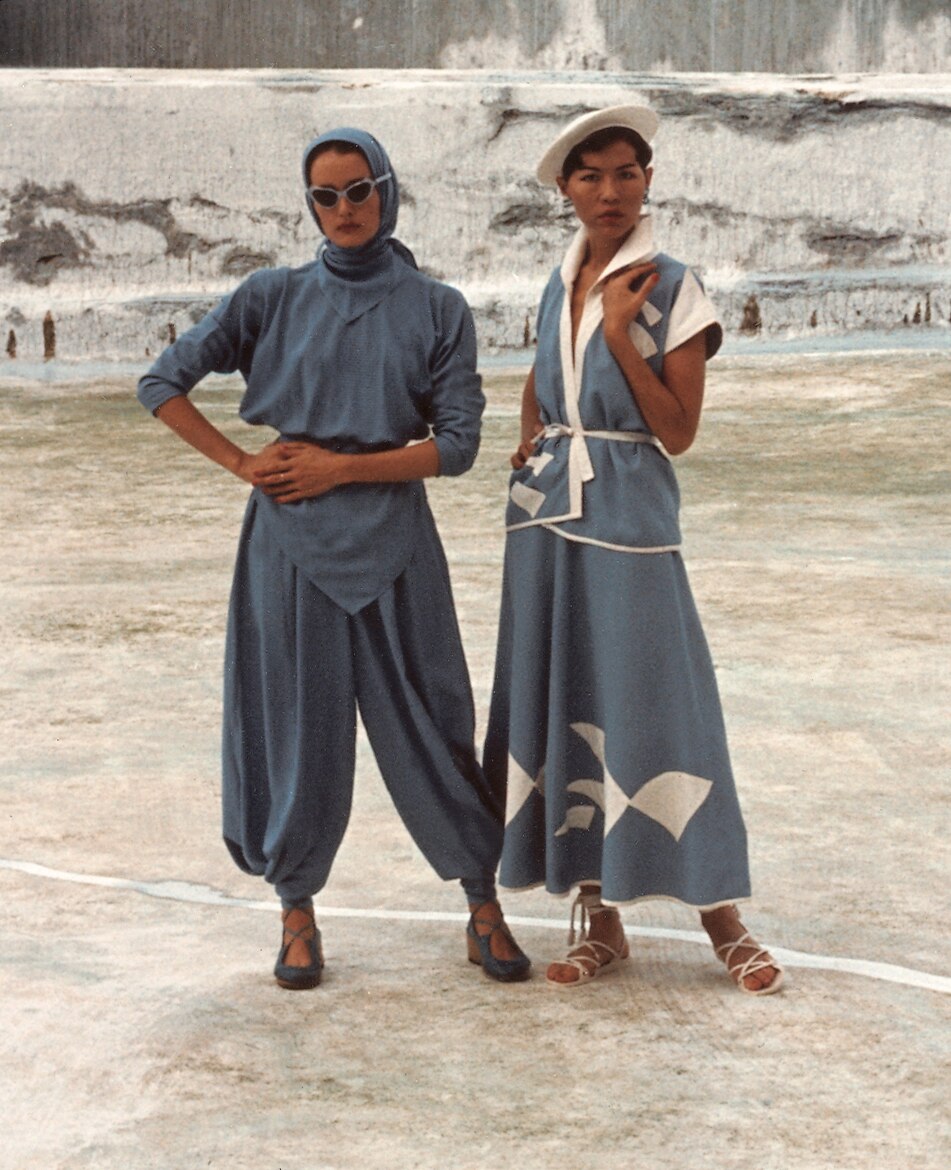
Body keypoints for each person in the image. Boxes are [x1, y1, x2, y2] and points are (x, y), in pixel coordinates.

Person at [137, 127, 530, 990]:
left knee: (433, 721)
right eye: (326, 196)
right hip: (288, 550)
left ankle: (481, 904)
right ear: (309, 203)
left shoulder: (437, 307)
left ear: (388, 190)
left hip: (395, 544)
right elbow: (160, 384)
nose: (345, 209)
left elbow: (458, 446)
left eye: (360, 190)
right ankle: (297, 915)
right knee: (294, 731)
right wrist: (244, 463)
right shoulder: (268, 296)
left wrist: (339, 467)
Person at [483, 105, 783, 994]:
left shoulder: (671, 287)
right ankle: (599, 917)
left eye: (624, 173)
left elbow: (677, 431)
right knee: (565, 693)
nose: (608, 192)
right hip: (545, 515)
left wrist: (621, 332)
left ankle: (722, 917)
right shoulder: (558, 275)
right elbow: (541, 378)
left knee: (661, 703)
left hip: (630, 513)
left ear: (648, 178)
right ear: (565, 190)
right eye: (589, 176)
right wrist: (529, 431)